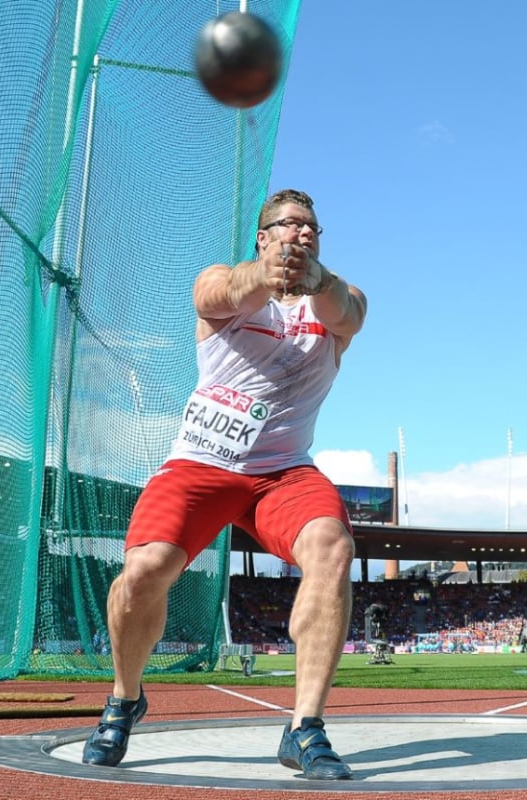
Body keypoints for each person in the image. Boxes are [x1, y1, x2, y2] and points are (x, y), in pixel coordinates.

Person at [82, 189, 367, 780]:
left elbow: (349, 310)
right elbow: (221, 292)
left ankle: (304, 728)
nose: (302, 232)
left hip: (283, 471)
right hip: (201, 465)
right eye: (288, 225)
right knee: (143, 571)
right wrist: (263, 275)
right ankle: (124, 697)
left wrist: (315, 278)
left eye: (312, 226)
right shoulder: (225, 282)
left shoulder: (336, 299)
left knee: (333, 548)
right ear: (262, 237)